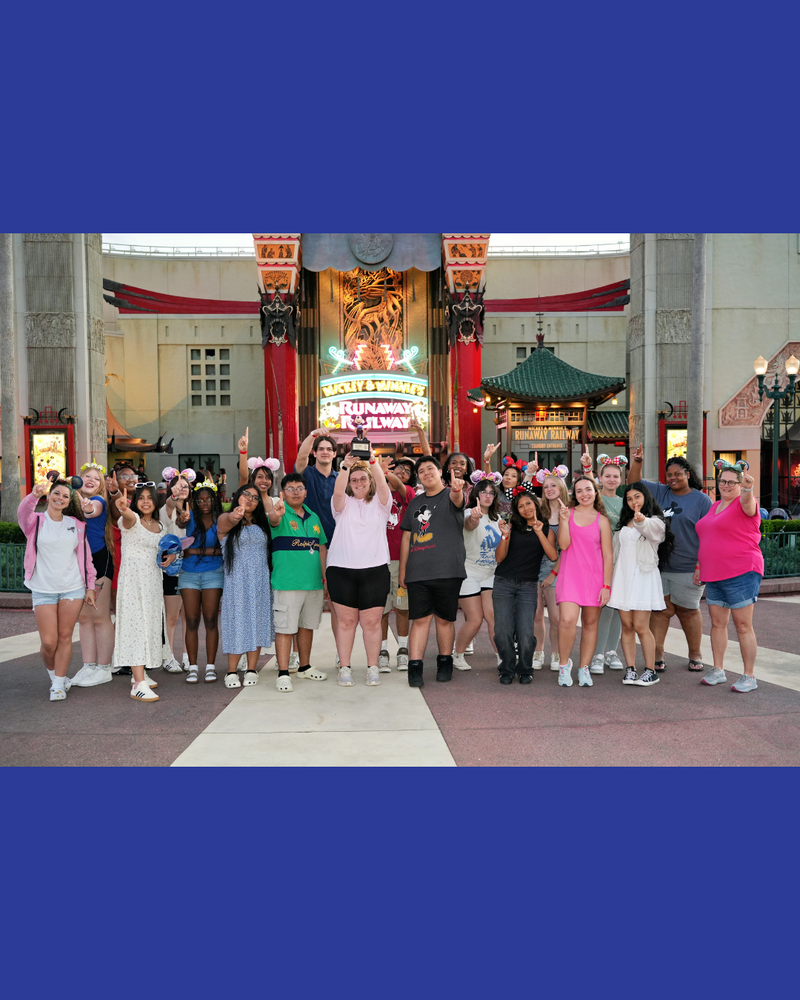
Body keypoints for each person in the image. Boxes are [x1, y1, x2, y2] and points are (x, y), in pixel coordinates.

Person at [629, 444, 713, 672]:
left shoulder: (701, 500)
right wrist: (637, 462)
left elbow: (708, 535)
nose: (673, 478)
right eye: (669, 474)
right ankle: (658, 654)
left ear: (687, 474)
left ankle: (695, 654)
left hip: (688, 566)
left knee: (687, 610)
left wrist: (700, 566)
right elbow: (634, 484)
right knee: (661, 610)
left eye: (678, 473)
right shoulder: (660, 492)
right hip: (659, 566)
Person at [19, 479, 97, 702]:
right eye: (56, 493)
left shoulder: (76, 525)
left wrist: (90, 587)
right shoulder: (35, 521)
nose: (60, 498)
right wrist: (34, 495)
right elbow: (23, 512)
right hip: (43, 588)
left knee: (65, 637)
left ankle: (59, 683)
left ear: (68, 501)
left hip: (72, 588)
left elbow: (86, 558)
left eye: (65, 496)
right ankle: (54, 674)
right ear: (49, 495)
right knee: (49, 642)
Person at [398, 455, 467, 687]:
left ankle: (445, 663)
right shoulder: (415, 503)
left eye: (431, 469)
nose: (426, 473)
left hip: (448, 570)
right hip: (418, 572)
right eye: (422, 471)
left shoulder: (451, 495)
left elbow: (458, 500)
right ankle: (415, 668)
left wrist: (457, 490)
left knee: (445, 620)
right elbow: (407, 536)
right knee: (419, 620)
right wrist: (403, 570)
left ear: (440, 472)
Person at [695, 461, 763, 692]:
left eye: (731, 482)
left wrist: (747, 489)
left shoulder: (745, 503)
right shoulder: (715, 507)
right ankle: (718, 670)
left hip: (742, 571)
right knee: (717, 624)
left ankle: (749, 676)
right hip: (714, 574)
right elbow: (707, 538)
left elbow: (748, 501)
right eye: (722, 481)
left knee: (743, 625)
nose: (725, 485)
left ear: (739, 483)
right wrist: (698, 566)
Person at [327, 451, 392, 687]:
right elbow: (337, 491)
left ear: (370, 481)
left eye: (362, 479)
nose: (358, 483)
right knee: (346, 623)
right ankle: (345, 667)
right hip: (341, 569)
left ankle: (372, 667)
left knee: (372, 623)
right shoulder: (341, 506)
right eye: (354, 480)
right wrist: (345, 466)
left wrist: (372, 460)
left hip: (374, 570)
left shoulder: (381, 505)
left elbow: (383, 484)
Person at [267, 473, 329, 691]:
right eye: (290, 488)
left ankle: (304, 667)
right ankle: (283, 672)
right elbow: (273, 521)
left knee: (307, 626)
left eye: (299, 488)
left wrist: (325, 578)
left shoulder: (313, 517)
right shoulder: (279, 514)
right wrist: (275, 514)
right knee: (284, 628)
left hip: (313, 584)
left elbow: (321, 547)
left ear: (306, 492)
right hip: (287, 583)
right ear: (283, 493)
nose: (296, 492)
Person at [114, 484, 176, 703]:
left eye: (150, 498)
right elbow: (127, 515)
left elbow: (167, 551)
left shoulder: (159, 525)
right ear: (135, 501)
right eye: (141, 498)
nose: (146, 501)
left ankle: (139, 674)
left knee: (149, 626)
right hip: (132, 582)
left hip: (152, 583)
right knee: (136, 627)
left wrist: (172, 558)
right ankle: (138, 684)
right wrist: (121, 504)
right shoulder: (131, 521)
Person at [608, 483, 673, 687]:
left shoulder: (655, 521)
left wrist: (642, 520)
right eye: (629, 499)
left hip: (643, 577)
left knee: (640, 626)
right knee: (626, 625)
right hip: (622, 577)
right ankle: (630, 669)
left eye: (637, 497)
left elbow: (654, 532)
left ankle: (650, 670)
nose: (633, 501)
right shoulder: (625, 521)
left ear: (645, 497)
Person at [493, 489, 557, 684]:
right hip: (504, 581)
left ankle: (526, 668)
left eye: (528, 503)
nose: (525, 508)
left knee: (526, 631)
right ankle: (507, 667)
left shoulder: (546, 529)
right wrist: (504, 535)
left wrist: (539, 532)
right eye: (520, 506)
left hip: (528, 585)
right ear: (516, 510)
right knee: (502, 630)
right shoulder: (511, 527)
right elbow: (499, 558)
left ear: (536, 504)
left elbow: (553, 556)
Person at [555, 476, 613, 688]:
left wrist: (606, 586)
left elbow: (608, 556)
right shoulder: (567, 514)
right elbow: (563, 544)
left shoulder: (603, 520)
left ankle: (584, 667)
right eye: (579, 491)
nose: (584, 494)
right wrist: (563, 521)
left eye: (588, 489)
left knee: (590, 624)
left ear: (595, 491)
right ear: (574, 494)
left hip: (595, 579)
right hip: (570, 575)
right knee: (567, 620)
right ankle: (564, 665)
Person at [217, 485, 274, 687]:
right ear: (237, 496)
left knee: (257, 622)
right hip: (236, 583)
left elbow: (274, 522)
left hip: (259, 582)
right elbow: (226, 522)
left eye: (255, 498)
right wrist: (235, 515)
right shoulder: (226, 520)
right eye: (246, 495)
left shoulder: (263, 523)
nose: (250, 499)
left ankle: (252, 668)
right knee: (236, 622)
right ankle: (231, 671)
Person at [582, 452, 628, 675]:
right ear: (599, 478)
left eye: (615, 476)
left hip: (622, 559)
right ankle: (598, 653)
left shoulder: (625, 502)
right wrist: (588, 469)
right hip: (598, 558)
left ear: (621, 479)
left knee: (617, 607)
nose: (611, 479)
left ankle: (612, 651)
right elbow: (585, 487)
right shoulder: (596, 499)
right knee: (603, 606)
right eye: (607, 475)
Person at [452, 474, 504, 670]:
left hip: (490, 573)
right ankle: (457, 654)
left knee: (493, 618)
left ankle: (501, 656)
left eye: (491, 493)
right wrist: (474, 518)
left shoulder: (497, 518)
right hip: (469, 572)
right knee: (474, 620)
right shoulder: (468, 514)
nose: (488, 496)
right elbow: (470, 524)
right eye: (483, 492)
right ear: (476, 494)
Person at [72, 463, 116, 688]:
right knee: (84, 618)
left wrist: (83, 501)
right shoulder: (71, 501)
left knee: (99, 617)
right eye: (86, 476)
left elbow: (91, 510)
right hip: (76, 564)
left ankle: (104, 668)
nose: (90, 480)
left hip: (98, 561)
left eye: (96, 479)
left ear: (101, 487)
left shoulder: (98, 501)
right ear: (78, 479)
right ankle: (88, 666)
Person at [179, 480, 224, 684]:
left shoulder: (221, 519)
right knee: (192, 620)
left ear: (214, 500)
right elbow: (180, 523)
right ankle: (193, 667)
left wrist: (195, 551)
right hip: (188, 573)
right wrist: (182, 517)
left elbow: (223, 549)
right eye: (200, 500)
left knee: (211, 620)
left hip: (213, 572)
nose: (205, 503)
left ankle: (211, 667)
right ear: (195, 502)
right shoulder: (189, 517)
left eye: (208, 499)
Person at [378, 457, 417, 672]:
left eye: (407, 471)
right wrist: (380, 473)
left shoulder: (408, 493)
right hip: (378, 561)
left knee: (402, 608)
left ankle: (403, 650)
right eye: (398, 468)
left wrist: (382, 470)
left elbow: (400, 485)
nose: (402, 473)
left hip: (402, 561)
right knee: (381, 610)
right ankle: (382, 651)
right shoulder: (377, 490)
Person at [534, 467, 569, 670]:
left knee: (556, 617)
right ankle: (538, 653)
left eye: (553, 485)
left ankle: (557, 654)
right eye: (545, 486)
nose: (549, 489)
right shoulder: (539, 510)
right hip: (533, 567)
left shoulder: (569, 511)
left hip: (557, 569)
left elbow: (568, 548)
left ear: (562, 487)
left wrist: (553, 573)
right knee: (536, 615)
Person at [162, 468, 195, 670]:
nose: (182, 489)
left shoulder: (197, 510)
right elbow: (169, 503)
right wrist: (174, 497)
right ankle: (168, 657)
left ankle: (187, 655)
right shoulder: (167, 509)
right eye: (177, 485)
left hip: (191, 568)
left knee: (189, 615)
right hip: (171, 569)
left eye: (185, 486)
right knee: (172, 616)